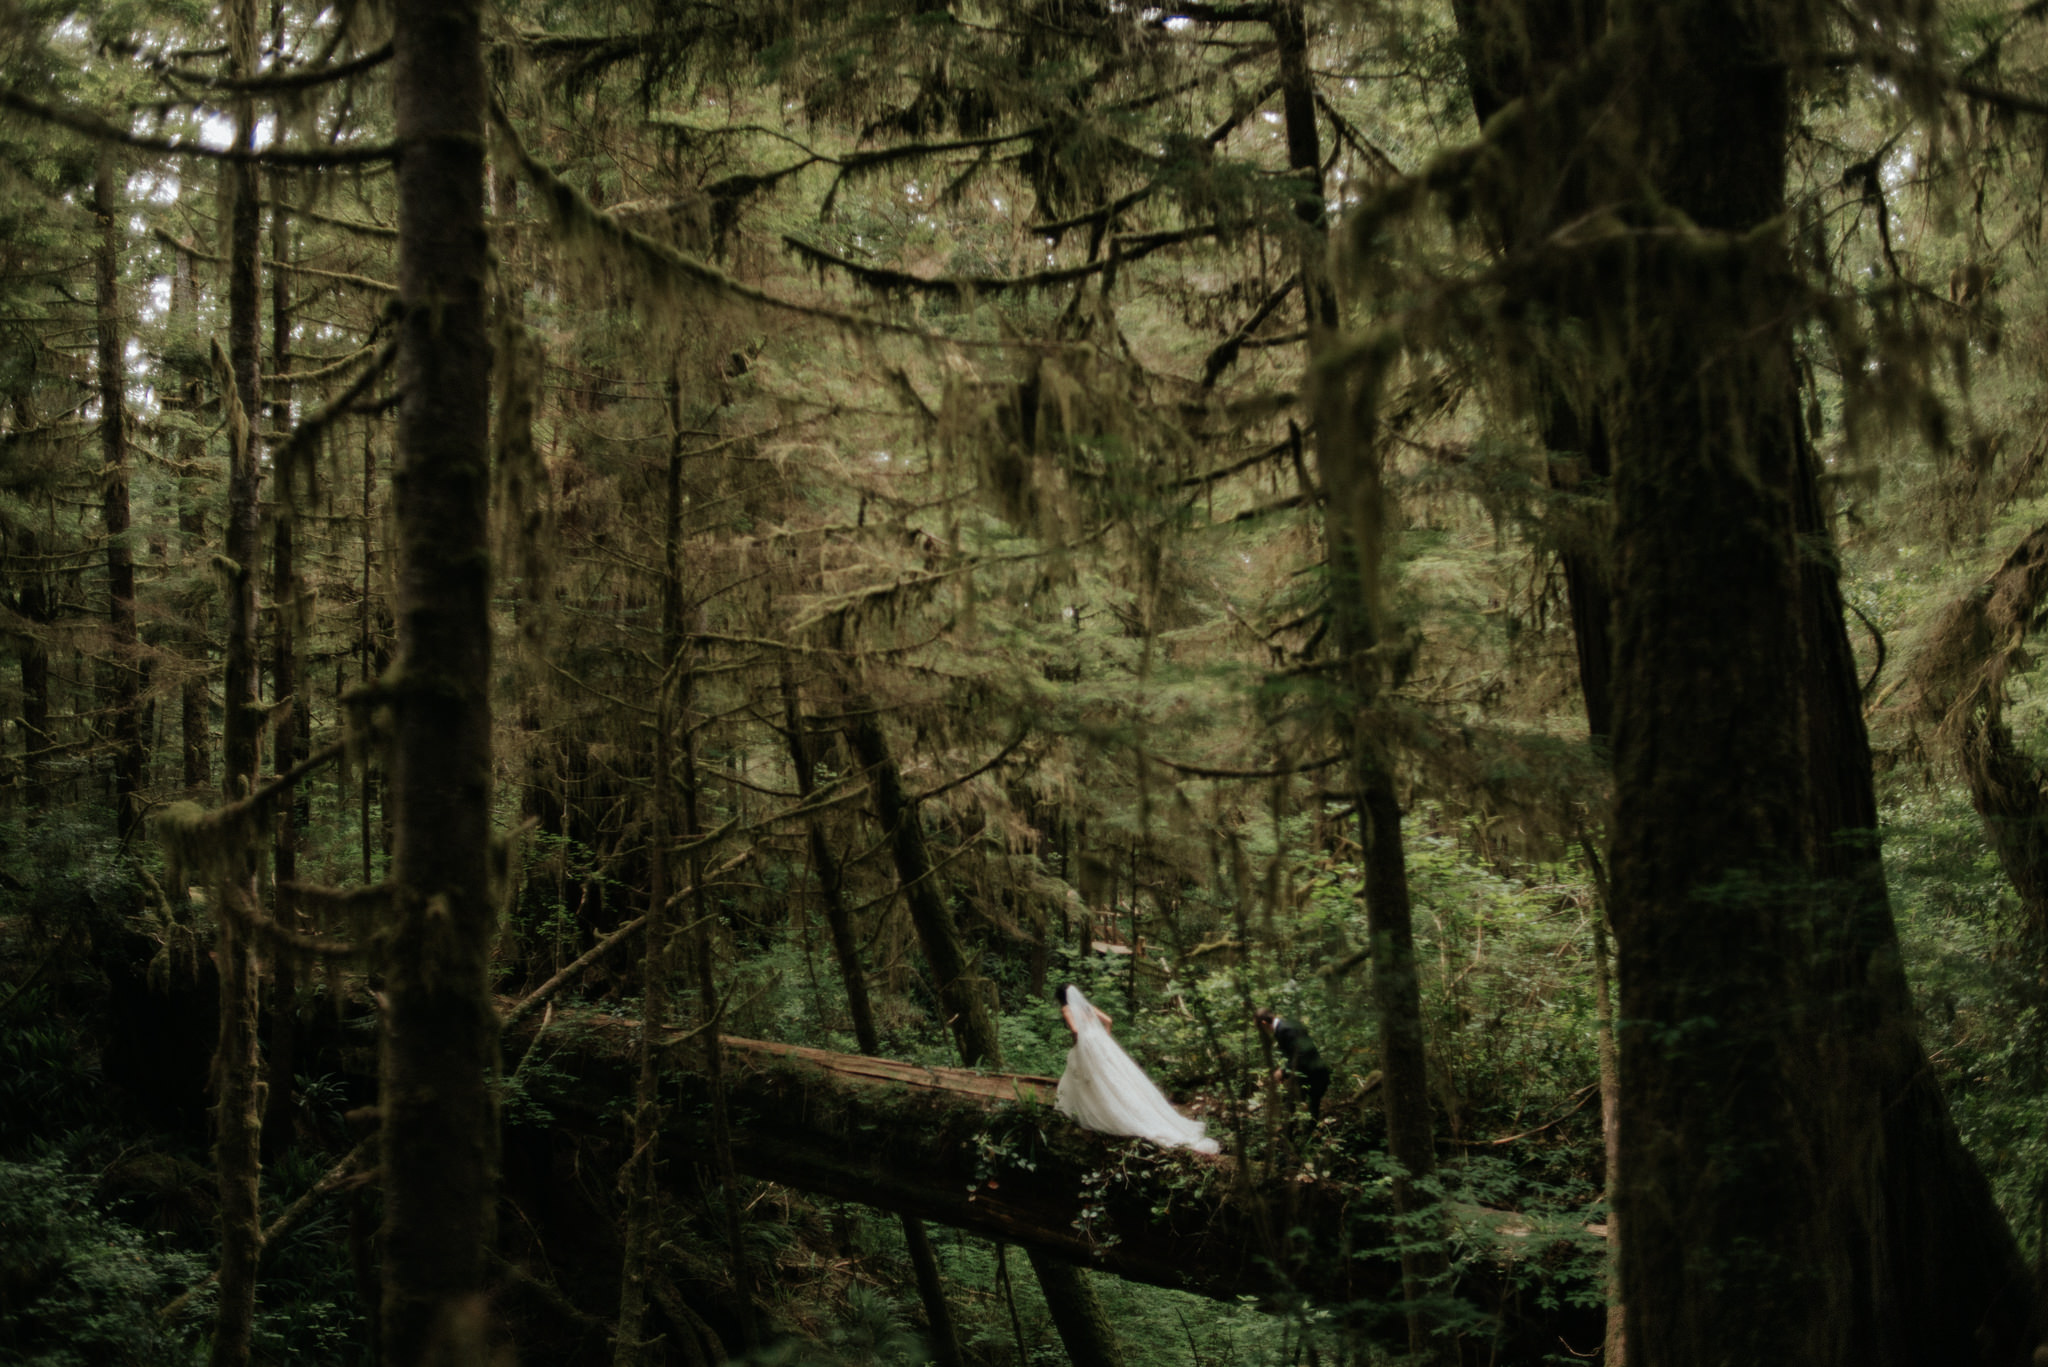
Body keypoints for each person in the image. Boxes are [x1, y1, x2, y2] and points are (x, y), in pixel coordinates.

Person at [1053, 985, 1219, 1154]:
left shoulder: (1067, 1009)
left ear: (1061, 998)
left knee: (1090, 1077)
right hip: (1100, 1042)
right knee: (1112, 1077)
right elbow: (1108, 1021)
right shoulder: (1086, 1007)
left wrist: (1079, 1044)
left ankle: (1092, 1111)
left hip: (1086, 1044)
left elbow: (1075, 1029)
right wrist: (1104, 1039)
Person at [1255, 1006, 1333, 1121]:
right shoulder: (1285, 1026)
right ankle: (1298, 1133)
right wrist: (1284, 1071)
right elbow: (1290, 1054)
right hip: (1307, 1073)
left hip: (1313, 1074)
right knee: (1294, 1104)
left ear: (1264, 1023)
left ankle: (1301, 1135)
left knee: (1299, 1106)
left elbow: (1300, 1054)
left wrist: (1282, 1071)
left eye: (1260, 1029)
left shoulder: (1286, 1030)